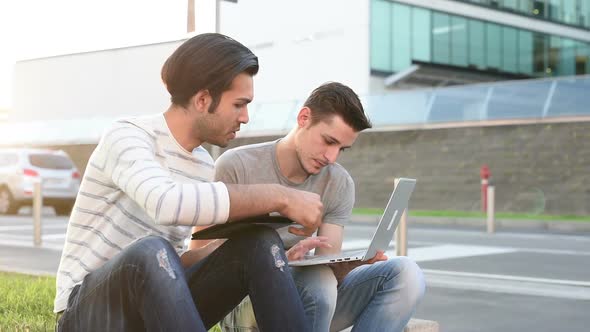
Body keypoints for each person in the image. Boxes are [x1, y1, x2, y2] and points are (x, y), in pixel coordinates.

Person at [54, 33, 323, 332]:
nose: (246, 117)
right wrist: (279, 196)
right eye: (239, 104)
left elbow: (173, 264)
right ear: (203, 99)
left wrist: (248, 255)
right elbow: (165, 203)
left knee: (258, 243)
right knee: (150, 251)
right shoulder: (128, 136)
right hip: (87, 314)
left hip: (151, 306)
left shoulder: (203, 164)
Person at [192, 82, 425, 332]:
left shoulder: (338, 182)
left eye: (341, 149)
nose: (331, 157)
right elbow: (199, 261)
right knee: (319, 283)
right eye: (328, 141)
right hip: (242, 300)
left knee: (406, 274)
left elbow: (328, 266)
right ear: (304, 118)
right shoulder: (237, 165)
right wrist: (273, 264)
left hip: (311, 298)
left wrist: (344, 268)